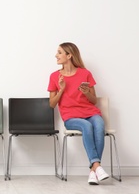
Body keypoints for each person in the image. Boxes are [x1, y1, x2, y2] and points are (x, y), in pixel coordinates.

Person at [47, 42, 110, 185]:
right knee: (87, 126)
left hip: (90, 112)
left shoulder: (85, 73)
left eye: (59, 52)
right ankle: (96, 166)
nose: (56, 55)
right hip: (71, 116)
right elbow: (52, 104)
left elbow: (93, 101)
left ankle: (94, 170)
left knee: (99, 124)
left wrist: (87, 92)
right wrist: (62, 89)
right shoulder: (54, 76)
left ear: (69, 55)